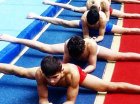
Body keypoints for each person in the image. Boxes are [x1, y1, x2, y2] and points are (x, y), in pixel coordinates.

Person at [1, 56, 140, 104]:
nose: (52, 82)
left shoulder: (72, 73)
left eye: (54, 77)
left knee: (108, 87)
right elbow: (43, 99)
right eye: (48, 78)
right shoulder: (40, 74)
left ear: (61, 71)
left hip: (78, 74)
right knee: (19, 71)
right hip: (47, 71)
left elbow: (70, 102)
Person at [1, 34, 140, 73]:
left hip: (95, 50)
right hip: (71, 47)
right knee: (46, 48)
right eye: (76, 57)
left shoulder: (91, 45)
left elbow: (92, 65)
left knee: (119, 56)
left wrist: (83, 71)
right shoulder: (67, 45)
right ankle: (15, 39)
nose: (78, 59)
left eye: (79, 56)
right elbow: (66, 62)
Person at [27, 6, 140, 42]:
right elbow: (85, 35)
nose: (91, 26)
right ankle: (38, 16)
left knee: (126, 30)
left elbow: (101, 36)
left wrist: (95, 40)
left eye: (93, 24)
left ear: (97, 21)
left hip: (103, 28)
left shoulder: (103, 19)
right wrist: (88, 39)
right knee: (63, 22)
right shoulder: (84, 18)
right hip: (83, 24)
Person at [43, 0, 140, 19]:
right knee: (74, 8)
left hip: (108, 11)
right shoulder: (88, 6)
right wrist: (51, 3)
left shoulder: (104, 5)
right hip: (92, 10)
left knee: (126, 15)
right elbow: (71, 7)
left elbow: (106, 19)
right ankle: (52, 2)